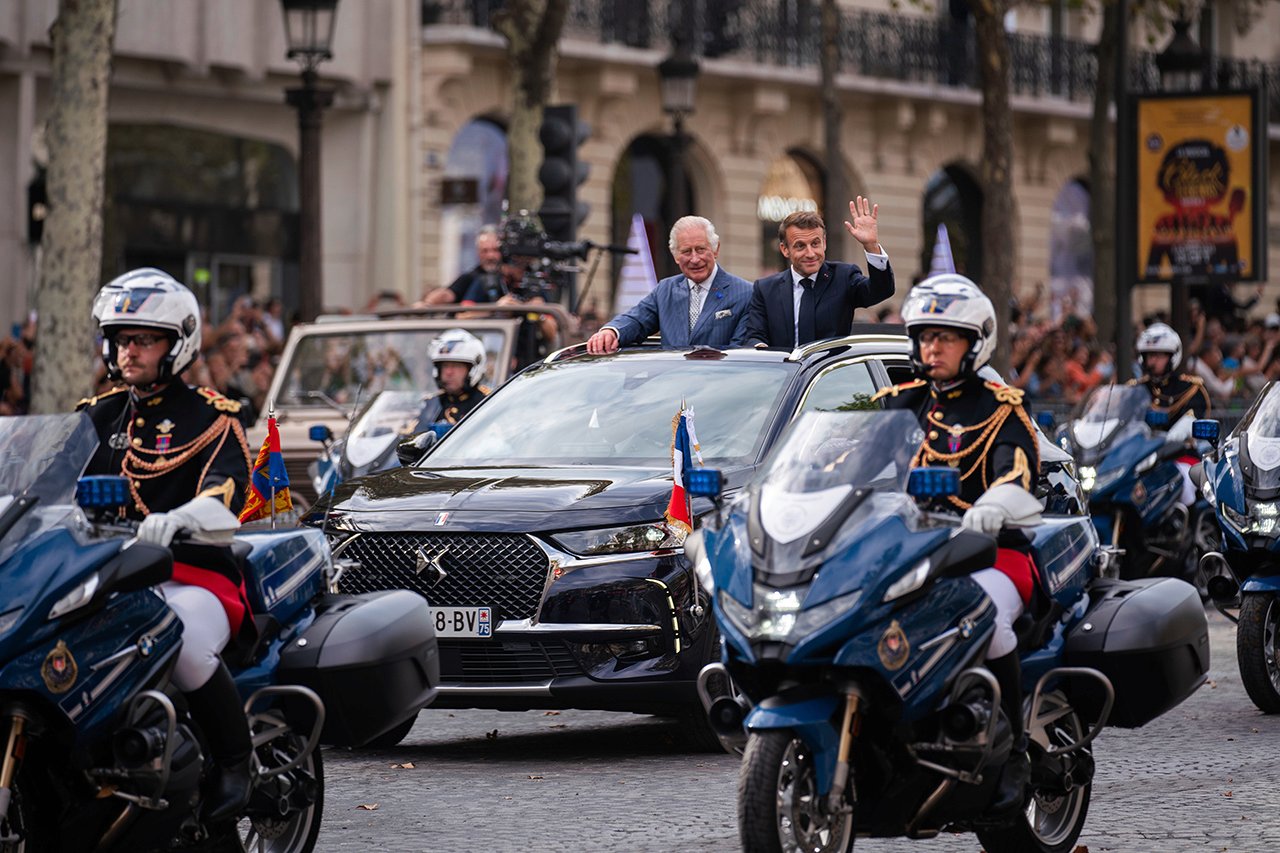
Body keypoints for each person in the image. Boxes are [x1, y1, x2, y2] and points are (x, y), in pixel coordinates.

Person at [78, 268, 255, 823]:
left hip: (192, 573)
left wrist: (176, 519)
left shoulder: (211, 416)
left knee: (182, 641)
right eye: (120, 339)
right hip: (107, 576)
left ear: (176, 344)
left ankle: (235, 761)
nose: (127, 351)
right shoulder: (96, 416)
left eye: (143, 340)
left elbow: (224, 502)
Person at [872, 273, 1041, 814]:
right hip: (909, 553)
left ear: (976, 342)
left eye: (946, 337)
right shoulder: (898, 404)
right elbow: (842, 468)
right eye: (925, 336)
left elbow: (1016, 472)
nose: (932, 347)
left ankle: (1014, 751)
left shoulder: (999, 406)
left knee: (984, 618)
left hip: (991, 554)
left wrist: (995, 504)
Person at [744, 197, 896, 348]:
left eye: (815, 244)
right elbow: (754, 335)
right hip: (785, 370)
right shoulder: (765, 289)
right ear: (785, 249)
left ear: (824, 243)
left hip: (831, 370)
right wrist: (761, 348)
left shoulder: (843, 277)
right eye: (800, 246)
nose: (810, 253)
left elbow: (881, 290)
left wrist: (871, 246)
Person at [586, 216, 752, 353]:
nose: (694, 259)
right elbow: (636, 319)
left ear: (715, 250)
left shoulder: (745, 293)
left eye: (701, 249)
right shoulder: (665, 290)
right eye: (686, 251)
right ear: (676, 256)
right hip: (671, 387)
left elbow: (739, 353)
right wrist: (611, 332)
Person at [1131, 322, 1210, 506]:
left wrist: (1177, 434)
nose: (1152, 361)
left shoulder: (1191, 388)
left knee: (1183, 485)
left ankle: (1186, 529)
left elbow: (1192, 420)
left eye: (1158, 356)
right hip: (1139, 459)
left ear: (1172, 357)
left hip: (1178, 456)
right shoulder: (1135, 389)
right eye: (1149, 355)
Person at [418, 329, 491, 427]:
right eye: (445, 366)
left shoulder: (488, 402)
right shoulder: (431, 404)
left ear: (472, 369)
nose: (448, 372)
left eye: (456, 366)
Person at [423, 225, 504, 305]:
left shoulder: (510, 277)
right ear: (477, 252)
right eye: (484, 251)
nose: (490, 256)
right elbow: (447, 294)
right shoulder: (471, 277)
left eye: (495, 250)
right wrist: (426, 303)